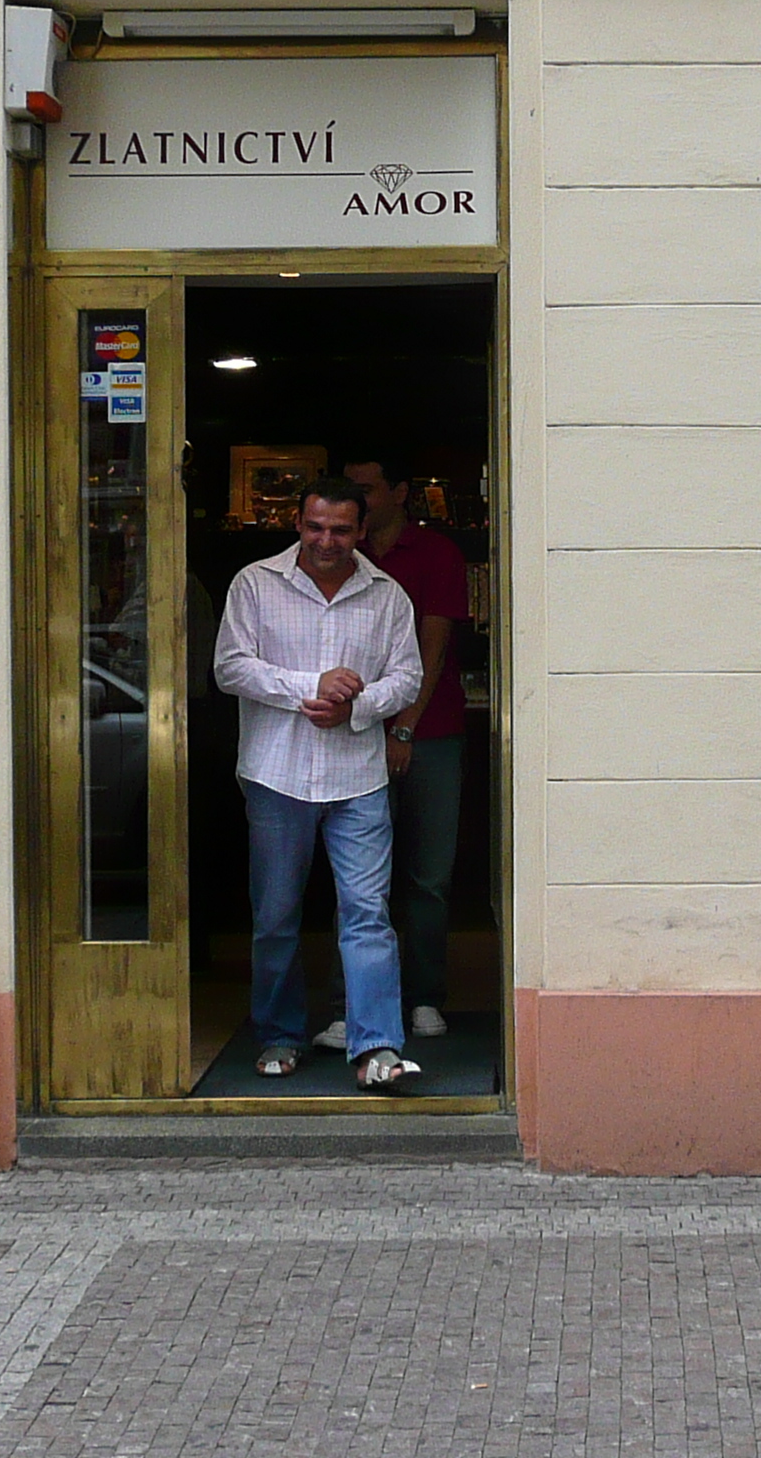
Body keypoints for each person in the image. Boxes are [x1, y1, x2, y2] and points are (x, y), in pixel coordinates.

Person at [212, 479, 428, 1091]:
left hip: (357, 776)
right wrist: (312, 687)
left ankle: (377, 1046)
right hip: (276, 774)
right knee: (276, 915)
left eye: (339, 529)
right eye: (315, 527)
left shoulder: (386, 595)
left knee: (366, 913)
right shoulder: (255, 583)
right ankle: (279, 1035)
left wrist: (355, 706)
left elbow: (407, 678)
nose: (325, 540)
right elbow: (229, 667)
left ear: (361, 531)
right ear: (298, 524)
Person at [346, 454, 468, 1040]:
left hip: (431, 731)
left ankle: (423, 997)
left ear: (399, 491)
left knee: (427, 876)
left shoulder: (437, 553)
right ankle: (362, 1005)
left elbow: (433, 648)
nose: (358, 500)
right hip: (354, 734)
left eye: (366, 489)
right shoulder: (339, 553)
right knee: (362, 878)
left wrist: (404, 729)